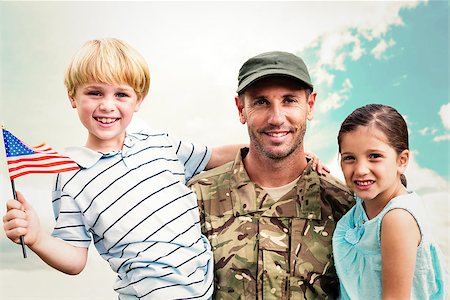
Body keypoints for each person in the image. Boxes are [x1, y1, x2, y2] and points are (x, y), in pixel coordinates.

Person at [2, 38, 244, 299]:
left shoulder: (159, 143)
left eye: (121, 94)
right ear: (73, 96)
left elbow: (215, 156)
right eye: (94, 93)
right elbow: (75, 259)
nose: (107, 105)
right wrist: (38, 238)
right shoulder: (72, 176)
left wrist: (282, 152)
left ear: (138, 100)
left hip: (209, 291)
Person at [188, 51, 355, 299]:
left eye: (289, 100)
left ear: (310, 105)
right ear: (241, 108)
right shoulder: (195, 199)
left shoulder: (345, 207)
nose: (277, 118)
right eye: (261, 102)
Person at [332, 104, 448, 299]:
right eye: (349, 158)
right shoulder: (364, 202)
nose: (360, 169)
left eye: (374, 156)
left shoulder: (397, 219)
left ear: (402, 161)